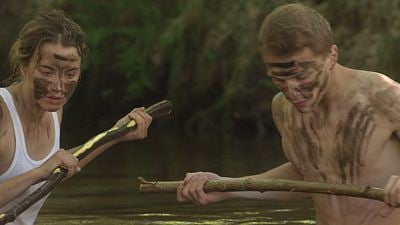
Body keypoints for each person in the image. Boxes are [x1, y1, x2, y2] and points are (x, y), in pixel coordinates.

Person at [177, 3, 400, 225]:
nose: (291, 90)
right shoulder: (283, 109)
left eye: (301, 76)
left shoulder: (382, 95)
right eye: (278, 78)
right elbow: (306, 174)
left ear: (331, 55)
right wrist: (227, 187)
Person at [0, 9, 152, 224]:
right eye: (47, 71)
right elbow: (43, 171)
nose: (58, 86)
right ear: (24, 66)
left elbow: (57, 167)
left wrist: (115, 134)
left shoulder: (53, 110)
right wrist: (39, 173)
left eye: (70, 74)